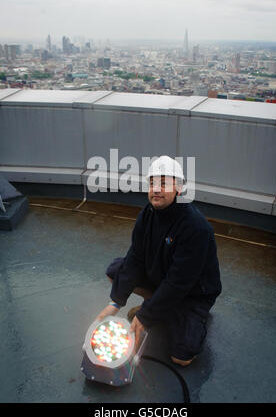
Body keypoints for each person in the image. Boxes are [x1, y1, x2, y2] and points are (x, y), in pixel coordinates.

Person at [95, 156, 222, 366]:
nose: (156, 189)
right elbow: (135, 258)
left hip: (193, 294)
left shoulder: (196, 228)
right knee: (116, 270)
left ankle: (181, 315)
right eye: (152, 183)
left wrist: (146, 315)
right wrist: (115, 302)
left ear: (179, 188)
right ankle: (159, 306)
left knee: (181, 358)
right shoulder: (147, 214)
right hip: (164, 277)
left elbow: (179, 282)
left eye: (164, 183)